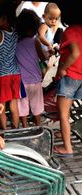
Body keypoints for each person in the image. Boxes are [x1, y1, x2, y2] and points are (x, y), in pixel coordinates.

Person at [53, 0, 82, 158]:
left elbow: (75, 53)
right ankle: (65, 133)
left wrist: (63, 69)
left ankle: (67, 148)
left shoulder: (70, 31)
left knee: (63, 113)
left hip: (71, 76)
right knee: (72, 109)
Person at [0, 0, 26, 130]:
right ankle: (16, 128)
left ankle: (5, 130)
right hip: (15, 73)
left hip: (2, 75)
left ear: (3, 18)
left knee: (2, 105)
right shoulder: (15, 31)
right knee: (14, 104)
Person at [16, 9, 47, 127]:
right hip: (35, 81)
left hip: (22, 82)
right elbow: (43, 57)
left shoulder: (16, 43)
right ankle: (38, 126)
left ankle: (25, 126)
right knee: (37, 105)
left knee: (22, 105)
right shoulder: (35, 42)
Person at [38, 3, 61, 76]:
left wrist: (53, 46)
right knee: (42, 72)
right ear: (44, 16)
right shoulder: (44, 26)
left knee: (44, 71)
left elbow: (48, 40)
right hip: (39, 56)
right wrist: (49, 44)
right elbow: (41, 36)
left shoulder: (50, 28)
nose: (54, 21)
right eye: (51, 18)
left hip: (45, 55)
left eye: (56, 19)